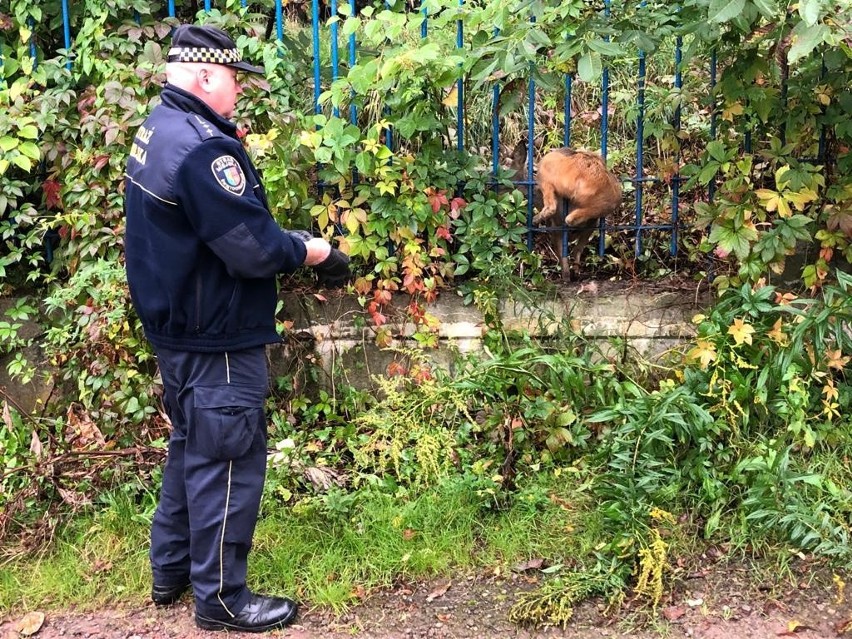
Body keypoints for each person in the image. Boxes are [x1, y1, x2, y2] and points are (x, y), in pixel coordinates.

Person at [123, 24, 350, 633]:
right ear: (203, 76)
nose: (239, 91)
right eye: (233, 79)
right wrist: (315, 251)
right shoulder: (203, 150)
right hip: (215, 334)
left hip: (174, 329)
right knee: (227, 458)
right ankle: (221, 597)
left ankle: (170, 571)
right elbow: (250, 249)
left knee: (191, 446)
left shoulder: (156, 129)